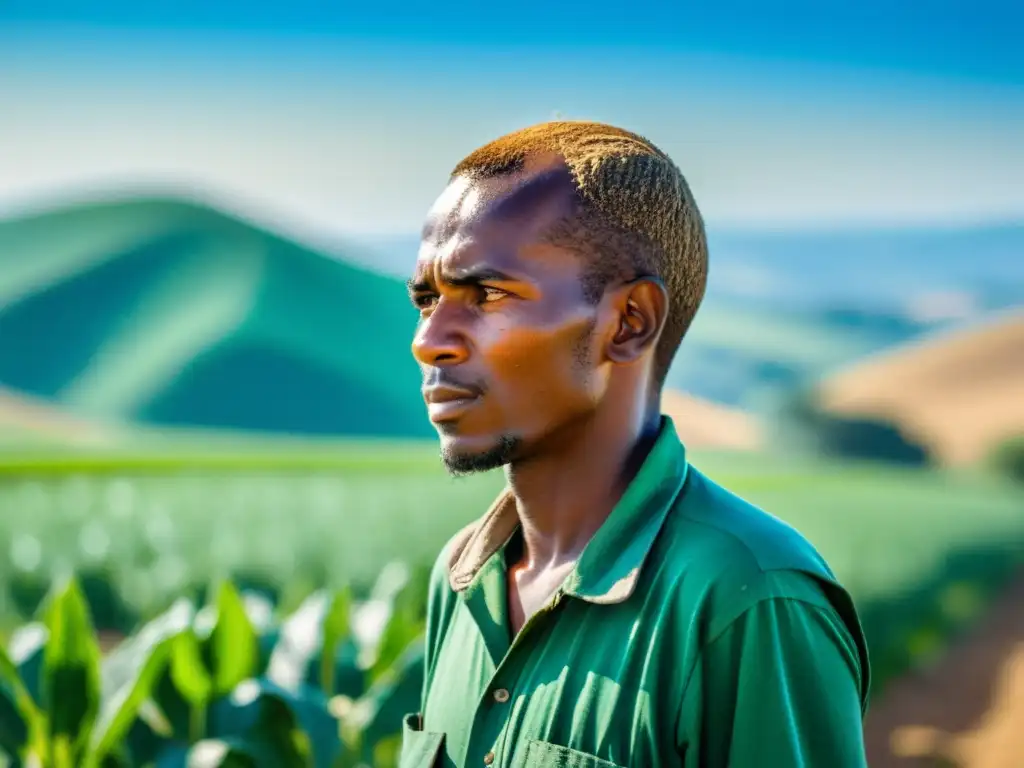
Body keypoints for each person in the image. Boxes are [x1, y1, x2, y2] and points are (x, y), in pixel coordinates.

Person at [403, 121, 870, 768]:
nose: (429, 340)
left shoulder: (750, 598)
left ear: (629, 322)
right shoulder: (459, 581)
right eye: (427, 299)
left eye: (486, 293)